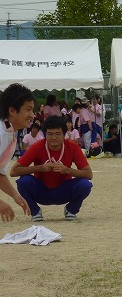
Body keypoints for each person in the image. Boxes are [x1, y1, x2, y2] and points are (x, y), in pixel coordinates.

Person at [10, 115, 93, 221]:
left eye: (58, 134)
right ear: (45, 134)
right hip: (41, 190)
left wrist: (67, 170)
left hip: (64, 190)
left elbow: (89, 174)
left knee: (85, 185)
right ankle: (35, 211)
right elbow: (13, 171)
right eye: (50, 134)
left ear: (64, 134)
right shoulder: (37, 146)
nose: (54, 137)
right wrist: (40, 168)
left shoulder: (73, 147)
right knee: (23, 182)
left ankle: (71, 210)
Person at [0, 83, 34, 221]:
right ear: (12, 111)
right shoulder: (2, 134)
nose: (32, 115)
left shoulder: (9, 134)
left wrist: (15, 195)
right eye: (28, 109)